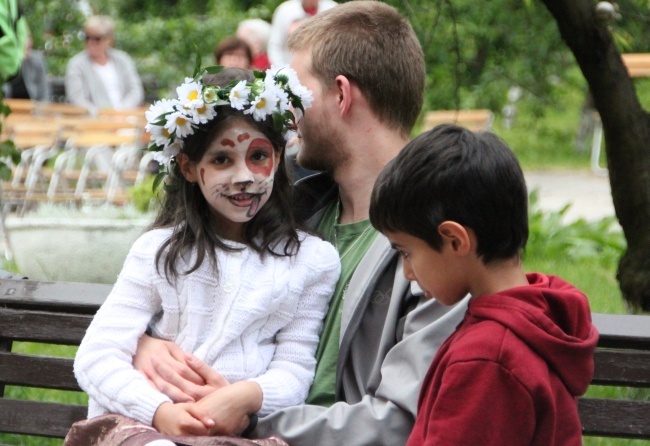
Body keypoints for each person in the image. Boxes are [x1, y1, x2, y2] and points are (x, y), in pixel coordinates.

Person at [133, 3, 469, 445]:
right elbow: (160, 274)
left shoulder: (434, 241)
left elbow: (395, 423)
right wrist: (144, 343)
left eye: (295, 88)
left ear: (342, 95)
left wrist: (252, 419)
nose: (285, 113)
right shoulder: (285, 204)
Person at [70, 67, 340, 440]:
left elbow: (295, 368)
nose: (244, 175)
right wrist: (159, 411)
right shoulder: (158, 252)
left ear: (278, 157)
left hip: (237, 430)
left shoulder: (312, 261)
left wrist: (245, 396)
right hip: (144, 426)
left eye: (258, 155)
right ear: (190, 168)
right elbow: (97, 355)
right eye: (221, 160)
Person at [369, 124, 599, 445]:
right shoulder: (536, 319)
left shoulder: (488, 360)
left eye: (407, 253)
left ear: (454, 240)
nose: (407, 272)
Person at [65, 15, 144, 115]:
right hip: (94, 122)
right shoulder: (76, 64)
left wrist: (121, 112)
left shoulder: (122, 59)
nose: (90, 42)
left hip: (125, 116)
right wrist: (101, 114)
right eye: (87, 37)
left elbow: (135, 91)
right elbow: (76, 97)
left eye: (96, 38)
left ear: (108, 40)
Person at [267, 0, 337, 66]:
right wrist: (282, 71)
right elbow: (275, 46)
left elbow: (337, 46)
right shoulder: (285, 10)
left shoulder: (333, 9)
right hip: (290, 69)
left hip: (324, 70)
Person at [3, 30, 50, 101]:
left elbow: (44, 90)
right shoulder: (4, 60)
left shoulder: (37, 61)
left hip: (32, 107)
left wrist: (42, 108)